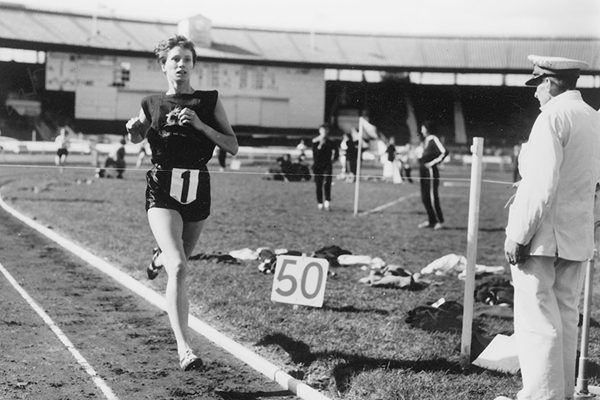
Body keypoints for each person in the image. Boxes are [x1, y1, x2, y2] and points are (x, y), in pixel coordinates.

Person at [125, 35, 238, 372]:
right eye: (175, 59)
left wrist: (201, 125)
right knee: (178, 267)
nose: (181, 64)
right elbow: (137, 136)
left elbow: (232, 146)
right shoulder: (151, 103)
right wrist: (132, 130)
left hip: (198, 187)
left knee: (179, 259)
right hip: (162, 187)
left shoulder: (209, 102)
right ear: (164, 66)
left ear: (193, 64)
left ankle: (160, 253)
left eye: (187, 59)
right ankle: (184, 349)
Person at [496, 55, 600, 400]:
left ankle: (542, 396)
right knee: (565, 318)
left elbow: (541, 183)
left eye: (538, 83)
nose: (535, 92)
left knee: (537, 322)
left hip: (543, 237)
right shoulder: (591, 117)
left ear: (552, 82)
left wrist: (519, 234)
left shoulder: (552, 117)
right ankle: (562, 394)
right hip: (576, 234)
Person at [417, 120, 448, 230]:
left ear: (427, 128)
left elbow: (444, 152)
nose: (421, 130)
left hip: (430, 172)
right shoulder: (425, 141)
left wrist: (431, 163)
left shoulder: (434, 139)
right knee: (424, 197)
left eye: (423, 128)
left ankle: (440, 221)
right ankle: (431, 220)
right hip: (423, 171)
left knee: (432, 197)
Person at [311, 123, 339, 211]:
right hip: (318, 165)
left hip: (327, 164)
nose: (325, 132)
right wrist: (320, 145)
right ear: (320, 131)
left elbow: (336, 152)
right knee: (318, 184)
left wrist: (334, 159)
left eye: (326, 130)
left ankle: (327, 202)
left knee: (327, 182)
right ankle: (320, 203)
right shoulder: (315, 141)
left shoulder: (331, 141)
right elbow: (315, 155)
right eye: (323, 130)